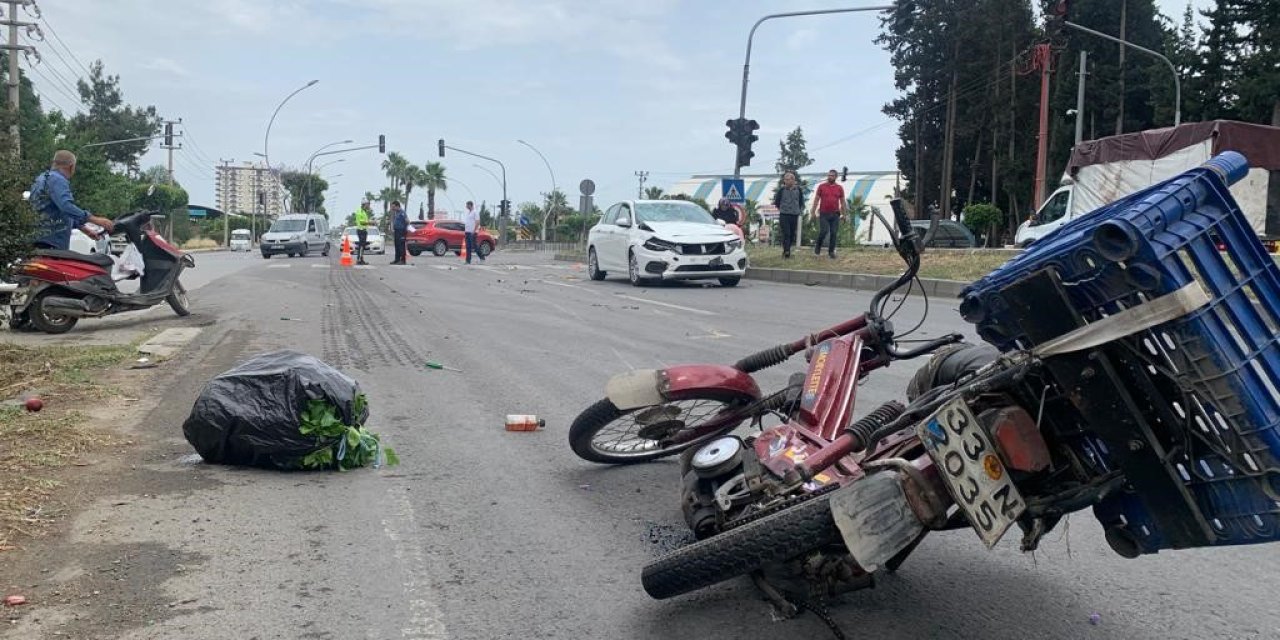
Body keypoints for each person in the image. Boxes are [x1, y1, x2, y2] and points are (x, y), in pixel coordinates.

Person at [29, 150, 115, 250]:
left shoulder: (41, 178)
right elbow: (66, 206)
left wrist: (85, 230)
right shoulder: (58, 180)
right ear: (71, 167)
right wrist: (95, 219)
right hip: (51, 244)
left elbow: (58, 211)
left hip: (38, 240)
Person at [809, 169, 846, 258]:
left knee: (834, 233)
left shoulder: (839, 188)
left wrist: (844, 214)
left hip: (835, 214)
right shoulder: (821, 186)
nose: (830, 177)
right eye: (829, 175)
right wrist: (813, 211)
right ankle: (817, 248)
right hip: (824, 213)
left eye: (832, 175)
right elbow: (816, 199)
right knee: (824, 231)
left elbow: (843, 202)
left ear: (836, 177)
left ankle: (831, 252)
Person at [772, 171, 804, 258]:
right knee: (786, 233)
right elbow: (777, 202)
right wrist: (782, 209)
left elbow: (801, 202)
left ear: (793, 180)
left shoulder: (798, 190)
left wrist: (797, 210)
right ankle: (787, 251)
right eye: (785, 179)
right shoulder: (781, 190)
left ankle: (787, 249)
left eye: (788, 179)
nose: (786, 181)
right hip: (784, 214)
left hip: (794, 215)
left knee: (792, 234)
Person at [352, 201, 372, 265]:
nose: (369, 206)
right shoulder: (360, 211)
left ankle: (361, 259)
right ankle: (359, 260)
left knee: (362, 246)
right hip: (361, 230)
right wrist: (370, 222)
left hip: (363, 230)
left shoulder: (364, 212)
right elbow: (361, 222)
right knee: (361, 246)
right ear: (365, 204)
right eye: (368, 205)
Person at [390, 201, 409, 265]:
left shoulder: (402, 212)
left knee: (401, 246)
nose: (392, 208)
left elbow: (407, 221)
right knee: (397, 245)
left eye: (393, 207)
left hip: (401, 231)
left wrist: (405, 228)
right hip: (397, 231)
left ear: (397, 206)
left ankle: (403, 260)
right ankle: (397, 259)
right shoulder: (396, 213)